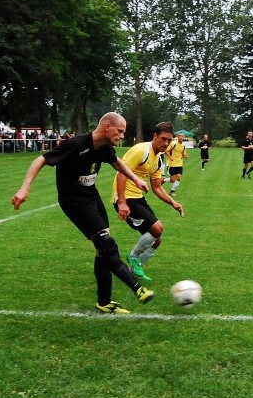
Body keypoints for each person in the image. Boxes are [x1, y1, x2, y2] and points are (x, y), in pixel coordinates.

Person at [11, 112, 154, 314]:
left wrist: (135, 179)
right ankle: (138, 289)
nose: (122, 136)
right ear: (107, 127)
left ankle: (104, 303)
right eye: (120, 131)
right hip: (73, 201)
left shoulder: (104, 147)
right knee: (107, 244)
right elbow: (41, 160)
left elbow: (116, 162)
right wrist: (25, 188)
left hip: (91, 198)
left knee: (102, 249)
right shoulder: (76, 144)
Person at [112, 122, 184, 282]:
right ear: (155, 136)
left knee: (156, 239)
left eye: (169, 140)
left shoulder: (158, 159)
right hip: (125, 198)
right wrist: (122, 202)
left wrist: (173, 203)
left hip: (137, 197)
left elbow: (157, 187)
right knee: (157, 228)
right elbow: (121, 174)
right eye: (163, 139)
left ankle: (135, 270)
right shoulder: (141, 150)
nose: (166, 143)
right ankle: (133, 256)